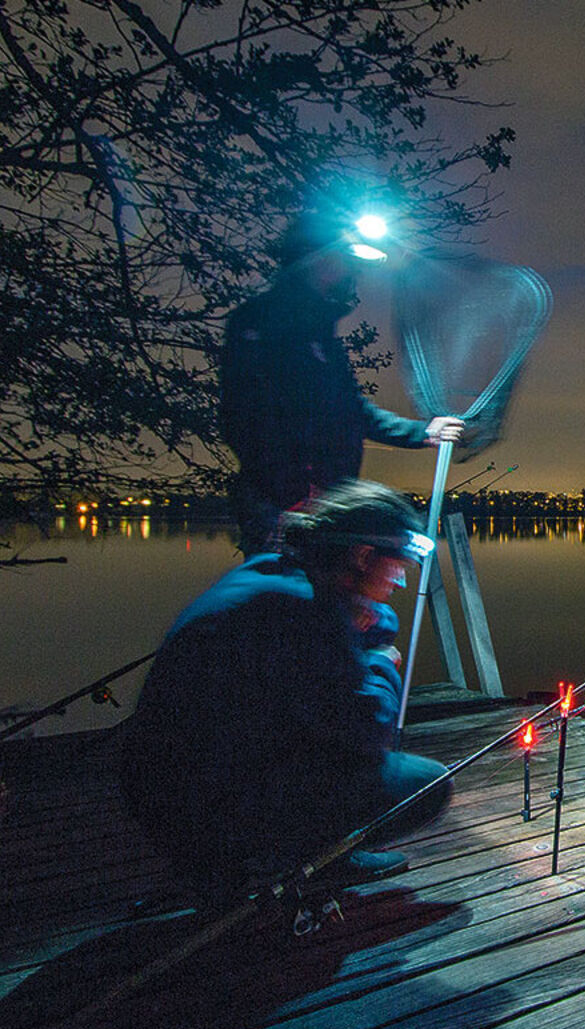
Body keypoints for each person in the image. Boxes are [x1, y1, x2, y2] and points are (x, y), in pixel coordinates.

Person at [118, 479, 453, 906]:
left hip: (166, 787)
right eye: (399, 564)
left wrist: (366, 627)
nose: (403, 580)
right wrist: (382, 664)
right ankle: (277, 857)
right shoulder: (301, 611)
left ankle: (288, 851)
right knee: (426, 783)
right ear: (363, 556)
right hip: (203, 808)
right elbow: (370, 728)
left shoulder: (277, 576)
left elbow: (367, 629)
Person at [219, 205, 463, 554]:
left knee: (335, 598)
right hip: (285, 508)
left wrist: (423, 433)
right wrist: (293, 489)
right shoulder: (260, 322)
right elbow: (241, 416)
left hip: (330, 501)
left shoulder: (320, 331)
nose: (348, 270)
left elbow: (351, 409)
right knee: (288, 598)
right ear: (312, 258)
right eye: (340, 258)